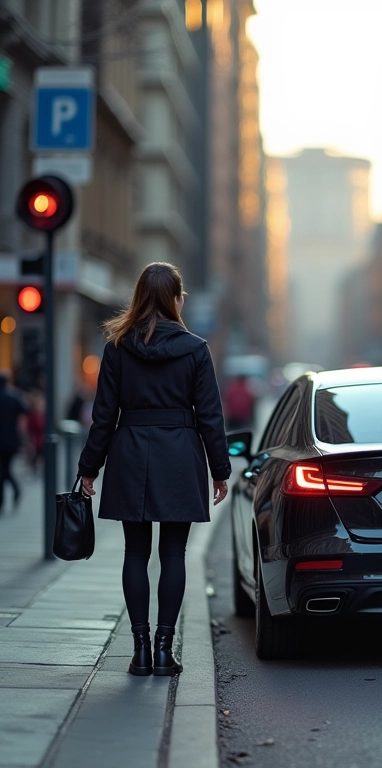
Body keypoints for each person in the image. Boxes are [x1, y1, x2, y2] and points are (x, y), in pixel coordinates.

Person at [78, 262, 231, 677]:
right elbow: (210, 416)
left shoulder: (117, 346)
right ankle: (165, 650)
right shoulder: (196, 349)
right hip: (180, 453)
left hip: (130, 452)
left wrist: (88, 468)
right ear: (175, 298)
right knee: (174, 553)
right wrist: (220, 470)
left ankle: (140, 650)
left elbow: (104, 415)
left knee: (135, 552)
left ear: (140, 296)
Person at [0, 370, 28, 513]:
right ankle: (15, 490)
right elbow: (22, 419)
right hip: (11, 439)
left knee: (3, 469)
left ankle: (3, 500)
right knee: (5, 468)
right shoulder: (14, 397)